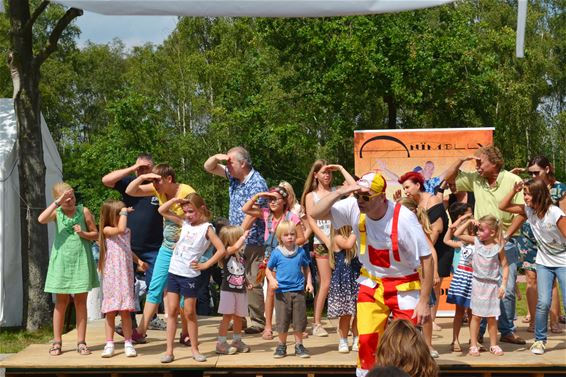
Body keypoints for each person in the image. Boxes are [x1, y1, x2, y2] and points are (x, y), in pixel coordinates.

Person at [310, 172, 433, 377]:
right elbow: (315, 212)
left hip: (403, 284)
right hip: (371, 282)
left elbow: (427, 259)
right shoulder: (353, 206)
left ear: (381, 197)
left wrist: (424, 300)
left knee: (408, 342)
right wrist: (342, 191)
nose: (360, 201)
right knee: (366, 341)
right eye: (358, 195)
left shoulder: (404, 218)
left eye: (366, 196)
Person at [442, 145, 526, 345]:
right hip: (481, 243)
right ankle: (477, 335)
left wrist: (506, 236)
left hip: (508, 241)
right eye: (476, 163)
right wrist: (462, 159)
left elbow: (523, 212)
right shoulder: (475, 179)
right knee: (479, 286)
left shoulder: (513, 181)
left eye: (480, 162)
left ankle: (506, 331)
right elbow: (448, 177)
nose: (477, 166)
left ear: (494, 162)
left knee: (508, 288)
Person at [126, 163, 196, 342]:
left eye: (158, 181)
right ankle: (140, 332)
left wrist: (181, 229)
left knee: (183, 291)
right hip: (166, 246)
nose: (155, 185)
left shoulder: (186, 192)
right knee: (155, 286)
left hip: (185, 248)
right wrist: (142, 178)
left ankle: (186, 333)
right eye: (153, 182)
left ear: (169, 179)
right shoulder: (158, 188)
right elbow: (130, 191)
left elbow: (197, 217)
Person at [204, 147, 268, 334]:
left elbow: (252, 215)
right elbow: (209, 167)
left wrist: (239, 235)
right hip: (236, 237)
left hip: (253, 238)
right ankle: (240, 319)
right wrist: (216, 156)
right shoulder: (234, 176)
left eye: (231, 162)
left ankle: (258, 320)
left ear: (243, 163)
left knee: (252, 278)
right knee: (235, 278)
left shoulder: (257, 183)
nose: (227, 166)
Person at [499, 179, 566, 355]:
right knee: (543, 303)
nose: (525, 197)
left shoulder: (555, 213)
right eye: (524, 194)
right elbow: (503, 206)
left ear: (538, 194)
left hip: (563, 263)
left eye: (527, 193)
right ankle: (539, 341)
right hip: (543, 263)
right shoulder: (529, 210)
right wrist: (514, 191)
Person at [101, 153, 166, 334]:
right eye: (141, 167)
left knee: (156, 284)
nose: (144, 171)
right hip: (128, 246)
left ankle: (151, 318)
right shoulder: (129, 183)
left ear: (153, 167)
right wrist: (133, 169)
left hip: (155, 246)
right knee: (127, 284)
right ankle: (130, 321)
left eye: (147, 167)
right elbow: (106, 180)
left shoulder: (158, 186)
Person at [158, 193, 226, 363]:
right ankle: (169, 350)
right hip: (174, 271)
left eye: (191, 211)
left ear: (201, 208)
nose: (188, 215)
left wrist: (205, 264)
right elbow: (161, 210)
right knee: (172, 310)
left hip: (190, 274)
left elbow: (221, 249)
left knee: (189, 312)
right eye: (185, 211)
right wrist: (175, 201)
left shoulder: (207, 228)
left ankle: (195, 349)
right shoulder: (184, 223)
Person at [38, 183, 99, 356]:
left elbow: (96, 234)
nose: (70, 201)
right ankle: (57, 342)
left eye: (71, 197)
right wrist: (58, 203)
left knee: (81, 302)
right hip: (62, 262)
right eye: (66, 198)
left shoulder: (83, 211)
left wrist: (84, 234)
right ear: (58, 199)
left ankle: (81, 342)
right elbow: (41, 219)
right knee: (61, 303)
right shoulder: (56, 213)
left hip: (81, 260)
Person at [242, 186, 306, 340]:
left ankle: (297, 326)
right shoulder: (266, 215)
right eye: (269, 199)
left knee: (293, 291)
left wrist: (286, 244)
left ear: (284, 201)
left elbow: (302, 238)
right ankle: (269, 326)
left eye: (275, 199)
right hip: (271, 256)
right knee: (271, 290)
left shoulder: (292, 217)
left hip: (288, 257)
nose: (272, 202)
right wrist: (258, 195)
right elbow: (245, 209)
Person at [301, 160, 356, 337]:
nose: (327, 175)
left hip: (341, 240)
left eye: (329, 172)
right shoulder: (311, 196)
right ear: (315, 175)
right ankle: (317, 323)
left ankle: (347, 321)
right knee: (325, 282)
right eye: (323, 172)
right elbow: (312, 220)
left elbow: (355, 187)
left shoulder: (337, 192)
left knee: (347, 280)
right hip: (322, 242)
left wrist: (340, 168)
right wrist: (326, 240)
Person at [398, 171, 451, 336]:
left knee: (434, 286)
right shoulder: (412, 205)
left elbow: (437, 229)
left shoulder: (432, 200)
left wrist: (423, 254)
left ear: (417, 185)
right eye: (404, 188)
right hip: (421, 252)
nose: (406, 190)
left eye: (407, 187)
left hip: (438, 248)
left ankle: (431, 320)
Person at [453, 215, 509, 356]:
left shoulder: (498, 247)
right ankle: (473, 345)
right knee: (476, 316)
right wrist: (469, 222)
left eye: (481, 230)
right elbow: (456, 234)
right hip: (478, 284)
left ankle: (493, 345)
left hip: (492, 286)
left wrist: (503, 285)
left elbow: (505, 266)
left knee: (492, 317)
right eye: (478, 229)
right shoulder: (476, 241)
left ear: (492, 232)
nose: (478, 232)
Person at [98, 200, 146, 358]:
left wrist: (138, 261)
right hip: (112, 275)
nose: (123, 216)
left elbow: (126, 249)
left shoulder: (126, 231)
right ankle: (109, 343)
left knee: (125, 311)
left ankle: (128, 342)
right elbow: (120, 228)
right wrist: (125, 212)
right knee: (111, 311)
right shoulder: (108, 229)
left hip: (125, 275)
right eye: (119, 214)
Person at [396, 197, 440, 358]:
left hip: (421, 273)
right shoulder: (395, 228)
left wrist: (434, 273)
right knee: (404, 312)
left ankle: (428, 345)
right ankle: (404, 346)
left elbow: (431, 251)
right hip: (404, 275)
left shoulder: (418, 229)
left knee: (425, 310)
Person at [266, 221, 313, 359]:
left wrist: (309, 282)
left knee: (299, 320)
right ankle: (281, 345)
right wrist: (272, 280)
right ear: (280, 237)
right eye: (286, 235)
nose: (290, 237)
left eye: (292, 234)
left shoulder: (300, 251)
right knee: (282, 320)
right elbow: (268, 269)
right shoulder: (276, 253)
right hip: (281, 292)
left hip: (298, 290)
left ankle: (299, 345)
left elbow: (306, 267)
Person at [443, 203, 474, 353]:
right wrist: (465, 219)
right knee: (460, 312)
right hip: (462, 278)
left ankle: (473, 341)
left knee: (473, 313)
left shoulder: (478, 241)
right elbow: (448, 238)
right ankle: (455, 339)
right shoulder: (460, 243)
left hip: (476, 280)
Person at [216, 225, 252, 355]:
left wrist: (246, 282)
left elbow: (240, 272)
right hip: (228, 291)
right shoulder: (226, 252)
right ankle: (221, 343)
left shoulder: (241, 255)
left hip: (240, 290)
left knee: (239, 316)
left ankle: (237, 340)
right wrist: (244, 236)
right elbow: (235, 247)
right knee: (227, 316)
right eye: (238, 237)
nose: (242, 241)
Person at [327, 225, 360, 353]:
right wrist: (358, 228)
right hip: (344, 282)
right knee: (345, 314)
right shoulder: (337, 238)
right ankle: (343, 340)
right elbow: (348, 245)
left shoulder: (354, 239)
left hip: (356, 279)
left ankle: (357, 338)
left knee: (359, 313)